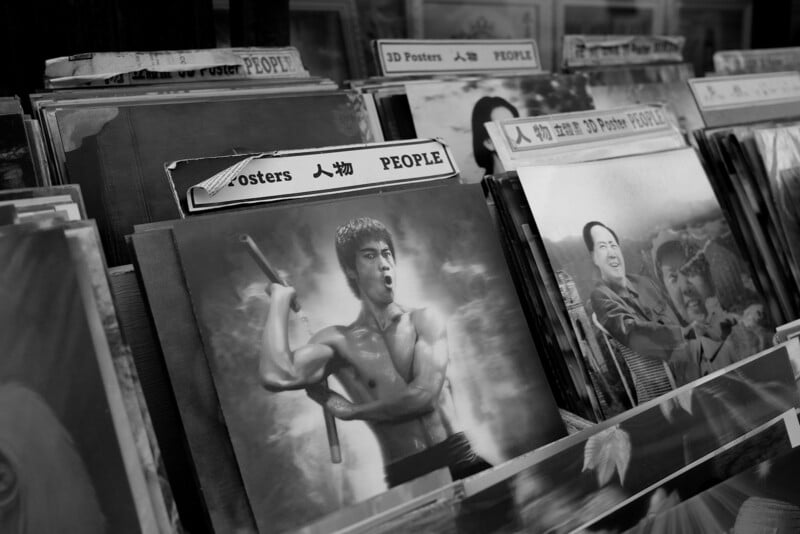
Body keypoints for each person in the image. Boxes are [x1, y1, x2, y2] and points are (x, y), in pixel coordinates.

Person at [259, 217, 502, 492]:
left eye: (387, 254)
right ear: (352, 271)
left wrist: (353, 412)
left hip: (461, 459)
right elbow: (276, 375)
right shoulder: (338, 341)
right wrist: (279, 300)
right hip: (407, 476)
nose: (383, 263)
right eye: (370, 255)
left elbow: (423, 396)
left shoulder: (424, 320)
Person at [585, 221, 692, 362]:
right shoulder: (600, 295)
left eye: (613, 245)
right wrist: (684, 334)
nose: (611, 253)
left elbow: (678, 314)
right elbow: (632, 334)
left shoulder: (644, 282)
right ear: (594, 257)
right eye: (603, 247)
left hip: (693, 355)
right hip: (669, 371)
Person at [471, 96, 519, 177]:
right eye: (503, 128)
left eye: (514, 126)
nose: (515, 136)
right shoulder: (486, 188)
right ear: (488, 143)